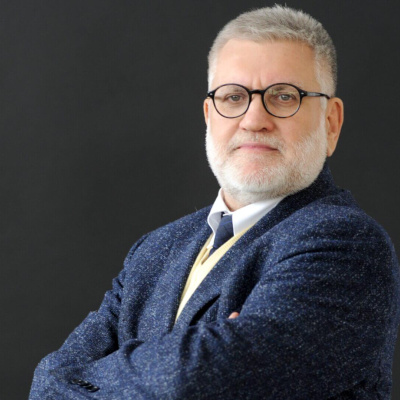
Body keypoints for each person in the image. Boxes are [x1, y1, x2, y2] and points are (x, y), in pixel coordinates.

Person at [29, 5, 400, 399]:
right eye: (234, 96)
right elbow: (47, 383)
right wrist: (197, 354)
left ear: (331, 123)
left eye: (284, 96)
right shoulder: (153, 251)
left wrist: (100, 378)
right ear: (209, 116)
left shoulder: (347, 246)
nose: (253, 119)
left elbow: (191, 382)